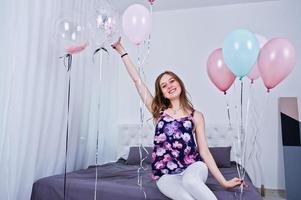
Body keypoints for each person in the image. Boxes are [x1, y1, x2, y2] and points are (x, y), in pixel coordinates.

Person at [112, 37, 242, 200]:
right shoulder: (158, 111)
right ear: (163, 93)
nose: (169, 86)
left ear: (179, 83)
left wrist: (224, 182)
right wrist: (121, 50)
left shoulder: (196, 116)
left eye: (172, 81)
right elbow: (138, 81)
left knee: (191, 182)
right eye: (164, 86)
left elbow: (205, 152)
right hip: (166, 175)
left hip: (194, 168)